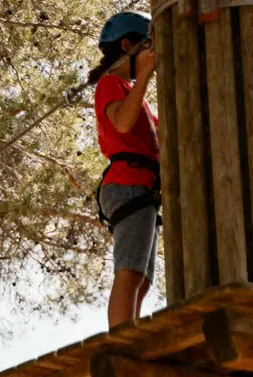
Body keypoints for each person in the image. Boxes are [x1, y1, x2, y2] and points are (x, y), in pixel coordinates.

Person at [90, 11, 158, 328]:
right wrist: (142, 76)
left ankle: (131, 336)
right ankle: (122, 341)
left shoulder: (135, 97)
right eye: (147, 47)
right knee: (130, 272)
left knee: (141, 280)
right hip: (127, 184)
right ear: (128, 45)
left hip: (142, 187)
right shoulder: (110, 83)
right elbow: (122, 122)